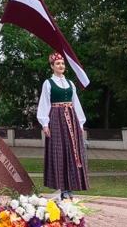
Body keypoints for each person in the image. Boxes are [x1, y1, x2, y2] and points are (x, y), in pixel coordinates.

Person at [37, 53, 89, 197]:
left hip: (71, 117)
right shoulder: (48, 83)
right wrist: (45, 123)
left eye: (62, 63)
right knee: (58, 151)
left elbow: (76, 103)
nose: (61, 66)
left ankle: (71, 186)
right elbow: (44, 103)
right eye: (58, 63)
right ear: (52, 66)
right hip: (56, 117)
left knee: (72, 151)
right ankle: (61, 188)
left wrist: (80, 122)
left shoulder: (70, 83)